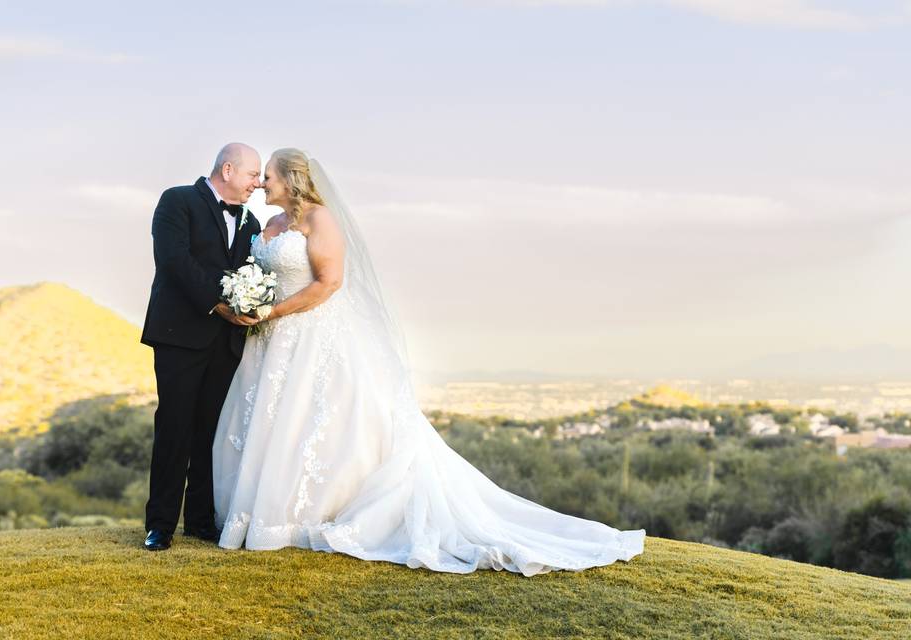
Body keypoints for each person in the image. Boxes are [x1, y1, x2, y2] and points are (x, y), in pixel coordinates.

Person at [212, 148, 645, 575]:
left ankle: (317, 513)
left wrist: (274, 311)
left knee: (321, 422)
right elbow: (264, 276)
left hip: (311, 333)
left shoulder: (319, 219)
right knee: (277, 421)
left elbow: (330, 282)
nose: (263, 183)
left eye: (268, 175)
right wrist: (250, 301)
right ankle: (269, 514)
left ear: (291, 179)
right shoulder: (270, 224)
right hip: (271, 342)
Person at [140, 143, 263, 551]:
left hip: (227, 343)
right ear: (227, 170)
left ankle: (199, 520)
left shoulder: (252, 223)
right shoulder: (177, 201)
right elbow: (174, 260)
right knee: (174, 426)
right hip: (180, 334)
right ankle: (160, 524)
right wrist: (220, 304)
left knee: (212, 431)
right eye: (252, 174)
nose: (258, 183)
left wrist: (251, 305)